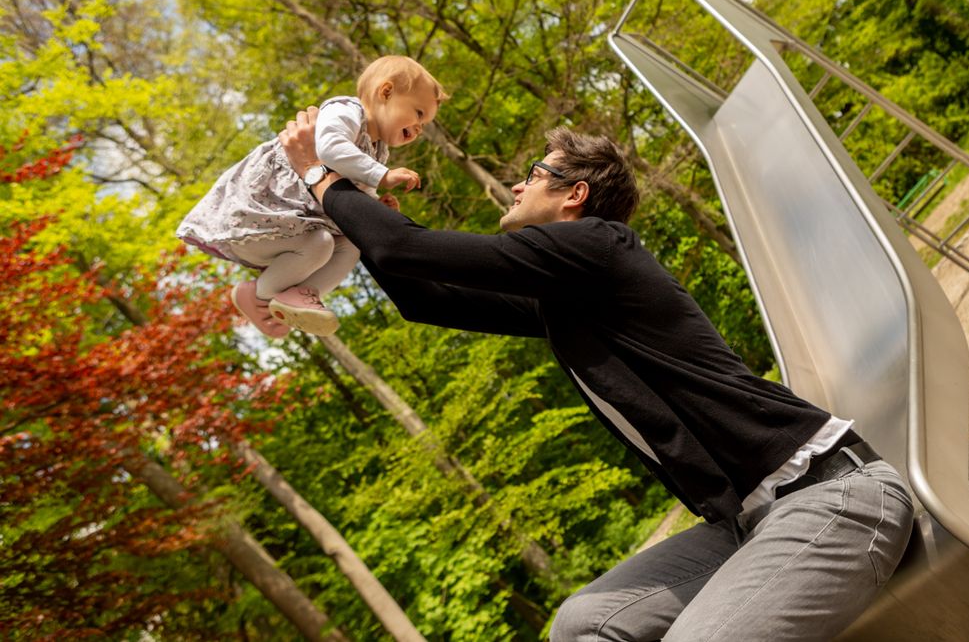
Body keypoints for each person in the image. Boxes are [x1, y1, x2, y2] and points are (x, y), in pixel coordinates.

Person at [280, 107, 914, 640]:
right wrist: (353, 205)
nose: (517, 185)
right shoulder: (569, 294)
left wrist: (320, 174)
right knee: (581, 623)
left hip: (830, 494)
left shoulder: (599, 247)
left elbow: (407, 247)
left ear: (573, 196)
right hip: (744, 523)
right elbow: (426, 296)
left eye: (534, 174)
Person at [176, 55, 447, 338]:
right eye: (418, 113)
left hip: (294, 225)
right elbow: (330, 149)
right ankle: (260, 296)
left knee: (350, 245)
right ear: (386, 91)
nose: (419, 128)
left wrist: (374, 205)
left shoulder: (377, 149)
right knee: (320, 244)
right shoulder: (346, 111)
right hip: (263, 214)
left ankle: (300, 297)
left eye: (424, 123)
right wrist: (383, 175)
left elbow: (351, 190)